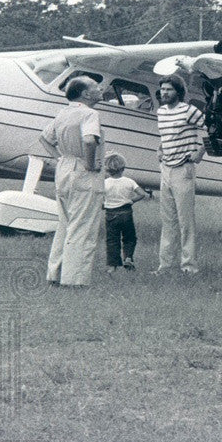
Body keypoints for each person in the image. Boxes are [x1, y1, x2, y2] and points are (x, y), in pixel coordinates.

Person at [39, 76, 105, 288]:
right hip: (83, 171)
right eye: (95, 87)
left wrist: (60, 157)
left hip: (64, 168)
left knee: (65, 224)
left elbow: (44, 139)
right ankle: (74, 279)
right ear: (85, 94)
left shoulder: (63, 113)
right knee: (83, 226)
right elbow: (89, 139)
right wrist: (90, 163)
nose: (100, 89)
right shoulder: (89, 113)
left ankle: (55, 273)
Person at [154, 74, 205, 275]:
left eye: (169, 89)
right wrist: (160, 149)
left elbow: (212, 128)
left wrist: (199, 152)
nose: (164, 93)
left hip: (184, 168)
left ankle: (189, 266)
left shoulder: (189, 111)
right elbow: (166, 136)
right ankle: (165, 266)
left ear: (179, 91)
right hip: (165, 168)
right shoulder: (161, 112)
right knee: (167, 220)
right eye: (163, 89)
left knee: (186, 221)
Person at [103, 152, 147, 273]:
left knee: (112, 240)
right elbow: (142, 194)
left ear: (107, 169)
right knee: (129, 238)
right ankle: (128, 257)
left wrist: (104, 205)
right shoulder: (129, 181)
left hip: (110, 214)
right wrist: (131, 200)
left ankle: (112, 266)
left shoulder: (105, 183)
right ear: (123, 168)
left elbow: (100, 198)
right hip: (126, 212)